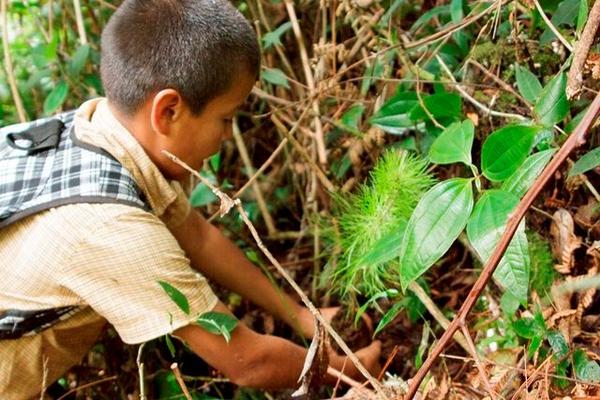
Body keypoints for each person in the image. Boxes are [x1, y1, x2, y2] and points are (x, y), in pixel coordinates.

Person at [0, 0, 381, 398]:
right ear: (167, 111)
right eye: (226, 118)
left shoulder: (97, 131)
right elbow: (248, 361)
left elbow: (199, 238)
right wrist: (348, 371)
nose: (226, 137)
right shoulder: (108, 227)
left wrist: (303, 317)